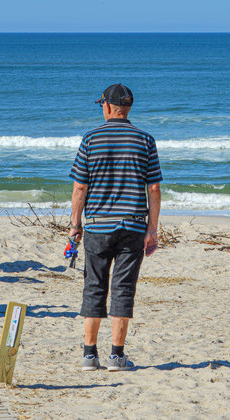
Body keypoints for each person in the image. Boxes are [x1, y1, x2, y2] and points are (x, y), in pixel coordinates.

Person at [69, 83, 162, 372]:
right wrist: (152, 229)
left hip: (98, 225)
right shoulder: (145, 140)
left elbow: (80, 186)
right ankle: (116, 356)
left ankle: (88, 355)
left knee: (94, 285)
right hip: (133, 225)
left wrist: (75, 225)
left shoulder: (91, 138)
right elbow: (154, 187)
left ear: (107, 107)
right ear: (128, 107)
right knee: (123, 288)